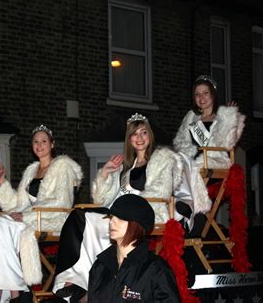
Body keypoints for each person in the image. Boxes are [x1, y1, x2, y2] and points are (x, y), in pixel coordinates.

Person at [53, 113, 183, 301]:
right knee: (78, 218)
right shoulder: (126, 168)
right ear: (129, 139)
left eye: (143, 133)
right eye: (134, 134)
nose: (139, 138)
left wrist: (127, 208)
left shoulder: (162, 159)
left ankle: (82, 283)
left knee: (86, 219)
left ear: (150, 136)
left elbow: (160, 192)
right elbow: (103, 199)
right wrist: (105, 173)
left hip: (144, 213)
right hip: (119, 213)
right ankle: (74, 281)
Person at [0, 125, 83, 303]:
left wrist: (27, 216)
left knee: (3, 228)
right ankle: (13, 291)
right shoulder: (31, 170)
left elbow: (62, 201)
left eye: (44, 141)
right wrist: (2, 183)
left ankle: (7, 293)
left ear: (52, 144)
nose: (39, 145)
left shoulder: (62, 167)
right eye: (35, 142)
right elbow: (17, 205)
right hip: (29, 219)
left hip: (53, 219)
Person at [173, 75, 245, 236]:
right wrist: (188, 153)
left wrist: (229, 117)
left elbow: (227, 143)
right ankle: (180, 214)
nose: (201, 98)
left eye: (205, 93)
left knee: (194, 167)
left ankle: (193, 210)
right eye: (197, 94)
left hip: (215, 160)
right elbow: (180, 142)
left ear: (212, 95)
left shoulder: (221, 118)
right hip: (193, 161)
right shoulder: (191, 118)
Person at [88, 194, 180, 303]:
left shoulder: (156, 269)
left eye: (121, 218)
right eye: (112, 216)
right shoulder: (100, 266)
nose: (112, 221)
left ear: (136, 225)